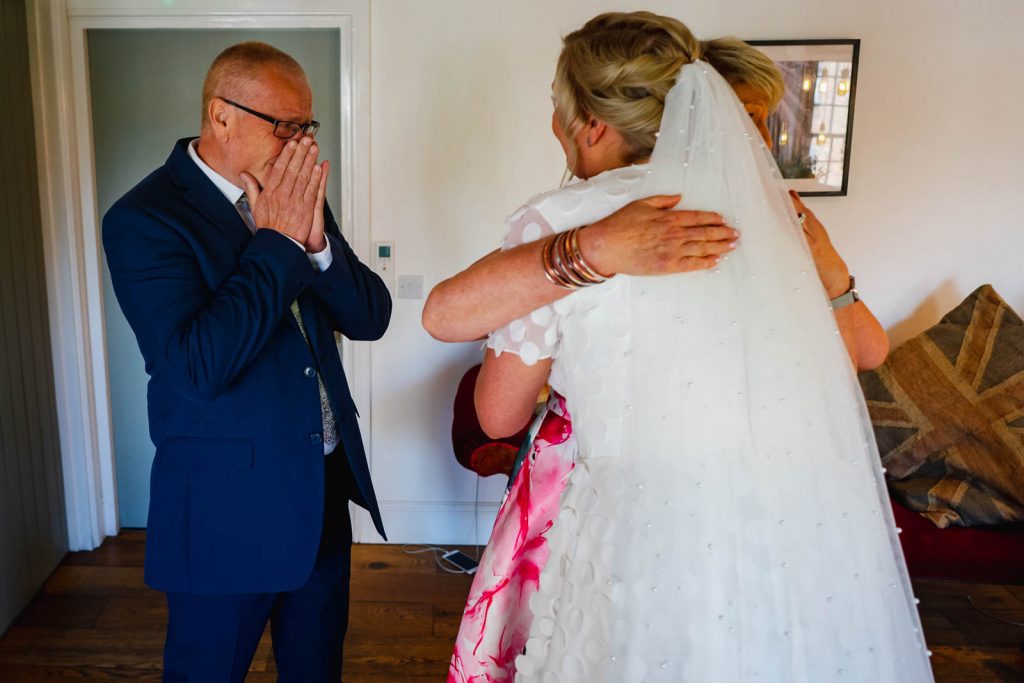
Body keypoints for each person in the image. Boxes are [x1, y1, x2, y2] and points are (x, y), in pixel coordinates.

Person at [443, 12, 933, 681]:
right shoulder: (765, 214)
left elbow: (496, 413)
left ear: (590, 122)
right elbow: (842, 361)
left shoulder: (567, 218)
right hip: (779, 527)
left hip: (636, 526)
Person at [102, 42, 391, 682]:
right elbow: (198, 364)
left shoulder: (293, 197)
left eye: (306, 126)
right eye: (283, 125)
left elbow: (370, 318)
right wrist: (281, 243)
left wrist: (317, 248)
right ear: (220, 115)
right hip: (223, 511)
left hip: (320, 493)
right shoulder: (142, 219)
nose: (299, 143)